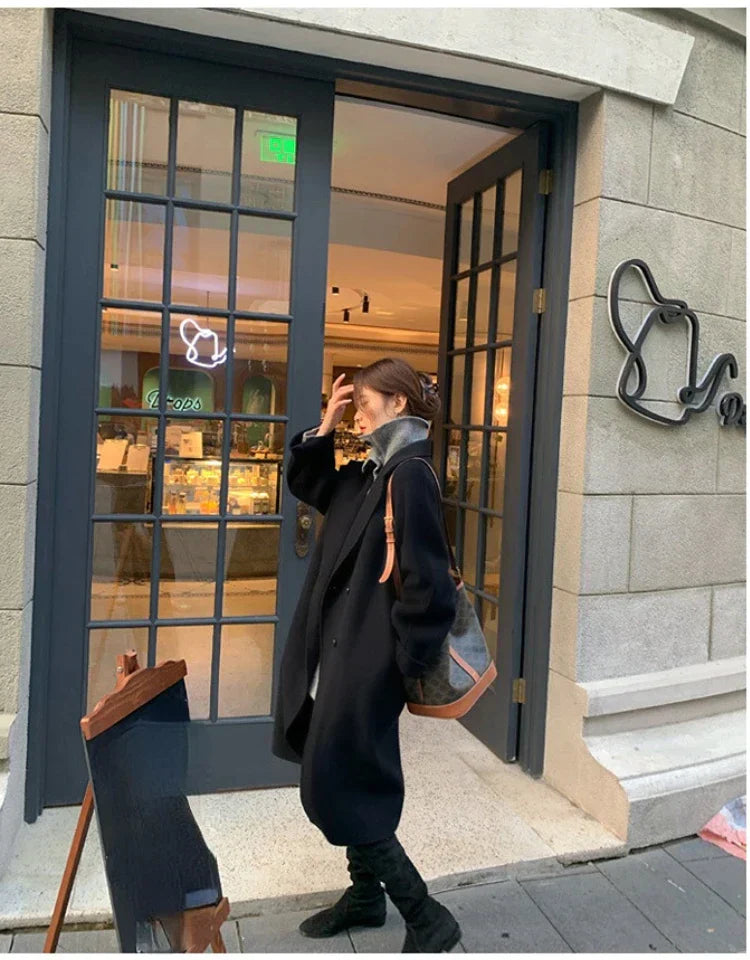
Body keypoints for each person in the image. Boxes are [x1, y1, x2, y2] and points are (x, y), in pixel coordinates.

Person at [271, 358, 462, 953]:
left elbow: (430, 588)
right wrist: (324, 427)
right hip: (339, 653)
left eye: (363, 401)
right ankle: (364, 896)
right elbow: (311, 485)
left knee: (341, 782)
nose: (357, 411)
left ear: (398, 403)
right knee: (343, 772)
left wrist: (398, 666)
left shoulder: (411, 476)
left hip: (368, 664)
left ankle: (426, 916)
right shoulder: (375, 469)